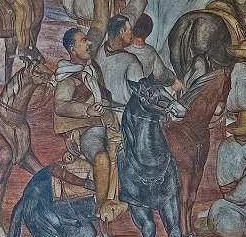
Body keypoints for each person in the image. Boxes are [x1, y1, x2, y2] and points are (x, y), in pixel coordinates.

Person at [54, 26, 118, 221]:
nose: (89, 43)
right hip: (89, 130)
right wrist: (87, 110)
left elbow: (100, 24)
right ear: (72, 49)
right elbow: (61, 106)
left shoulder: (92, 68)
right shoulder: (67, 79)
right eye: (83, 41)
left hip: (110, 125)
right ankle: (101, 207)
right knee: (101, 158)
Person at [127, 14, 173, 82]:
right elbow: (161, 75)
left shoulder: (124, 49)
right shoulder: (151, 52)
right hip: (142, 87)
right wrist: (173, 79)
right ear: (149, 31)